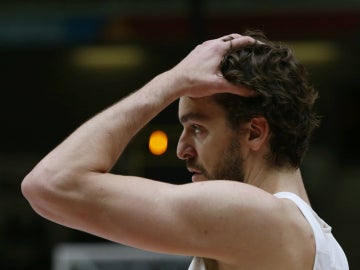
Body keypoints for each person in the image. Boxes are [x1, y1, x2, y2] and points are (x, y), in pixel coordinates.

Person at [21, 30, 348, 270]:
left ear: (254, 132)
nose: (181, 149)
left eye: (197, 128)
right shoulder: (319, 240)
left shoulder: (253, 214)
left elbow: (51, 184)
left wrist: (170, 81)